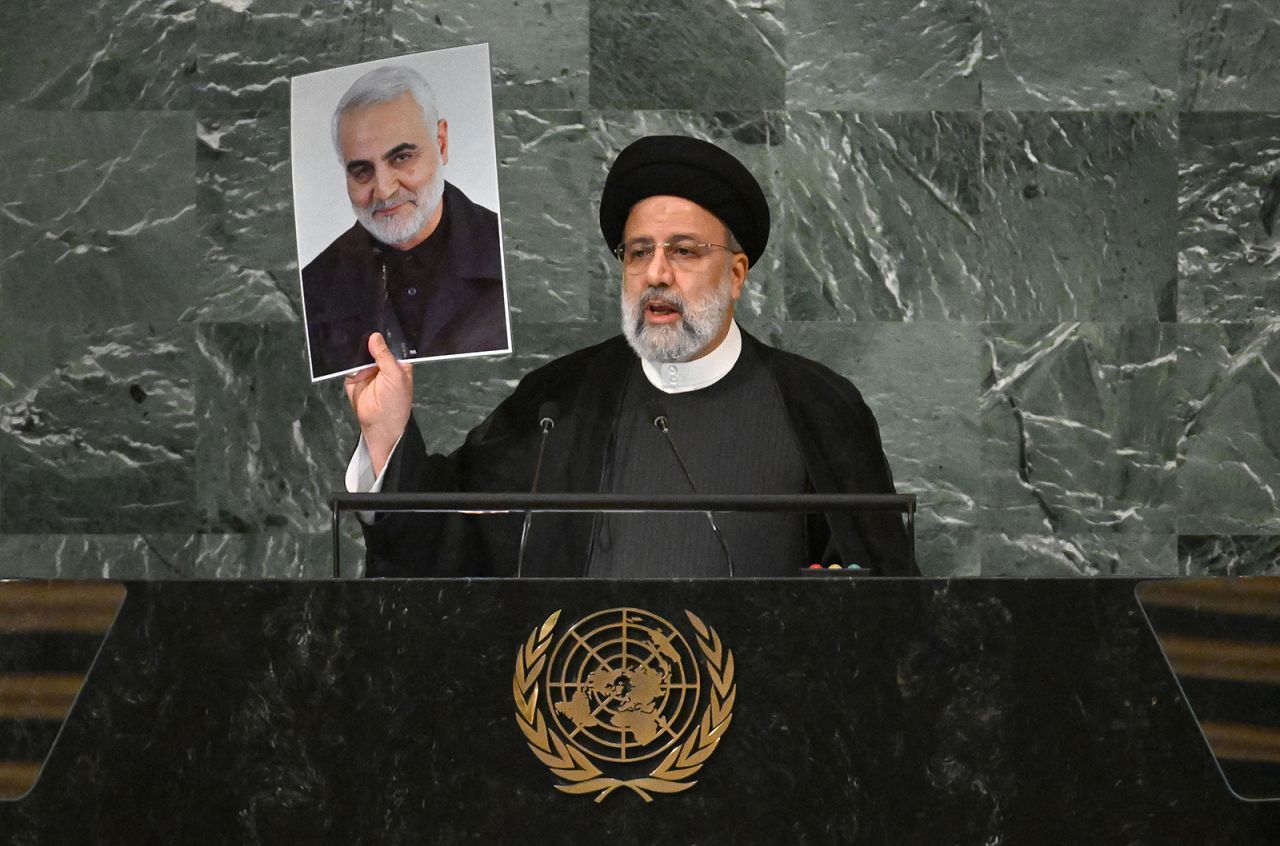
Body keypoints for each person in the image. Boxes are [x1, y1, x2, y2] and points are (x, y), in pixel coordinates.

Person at [345, 135, 915, 578]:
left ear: (736, 274)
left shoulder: (815, 404)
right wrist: (387, 435)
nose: (657, 274)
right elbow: (451, 541)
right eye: (639, 252)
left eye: (685, 251)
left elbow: (876, 600)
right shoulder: (559, 402)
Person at [301, 64, 508, 380]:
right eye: (362, 171)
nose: (384, 190)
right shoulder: (313, 290)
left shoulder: (508, 253)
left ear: (441, 144)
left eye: (401, 158)